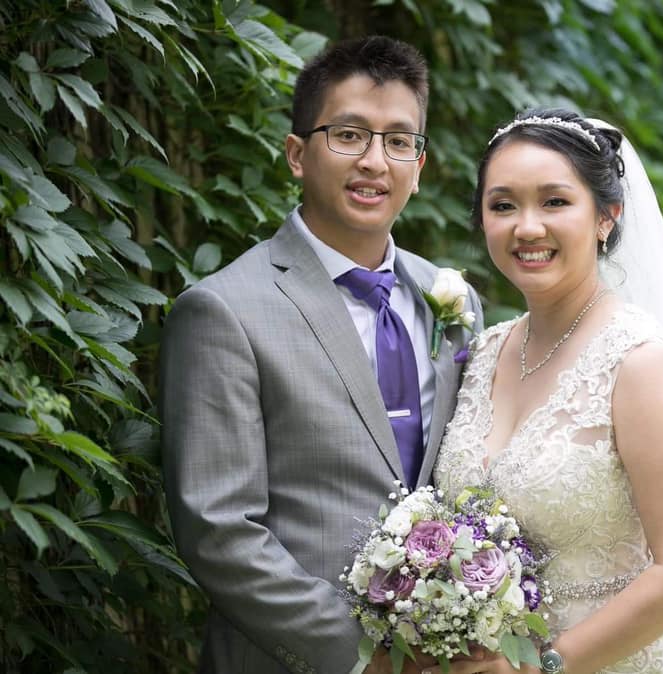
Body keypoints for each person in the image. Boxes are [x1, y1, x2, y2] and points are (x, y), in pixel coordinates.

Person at [160, 36, 482, 674]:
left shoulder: (452, 299)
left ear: (419, 165)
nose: (375, 161)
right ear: (297, 154)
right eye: (349, 135)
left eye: (398, 141)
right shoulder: (223, 311)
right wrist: (367, 660)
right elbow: (219, 529)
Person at [432, 109, 663, 673]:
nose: (527, 227)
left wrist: (540, 667)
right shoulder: (482, 354)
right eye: (503, 206)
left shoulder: (641, 364)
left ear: (607, 216)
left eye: (554, 201)